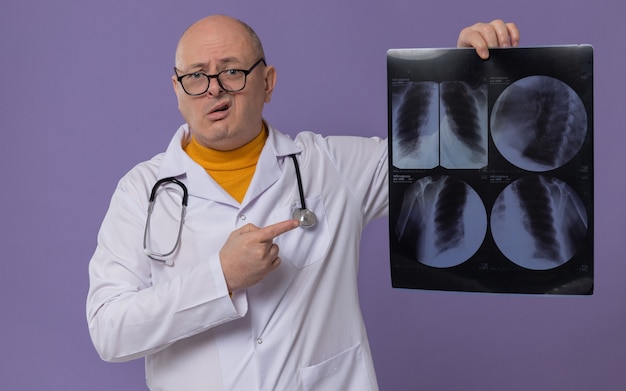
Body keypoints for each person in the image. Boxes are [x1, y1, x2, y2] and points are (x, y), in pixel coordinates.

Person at [86, 14, 519, 391]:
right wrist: (221, 277)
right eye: (196, 76)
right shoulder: (141, 191)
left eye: (232, 71)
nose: (214, 90)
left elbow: (450, 158)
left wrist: (471, 75)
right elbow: (109, 331)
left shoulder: (331, 167)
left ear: (268, 82)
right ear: (177, 89)